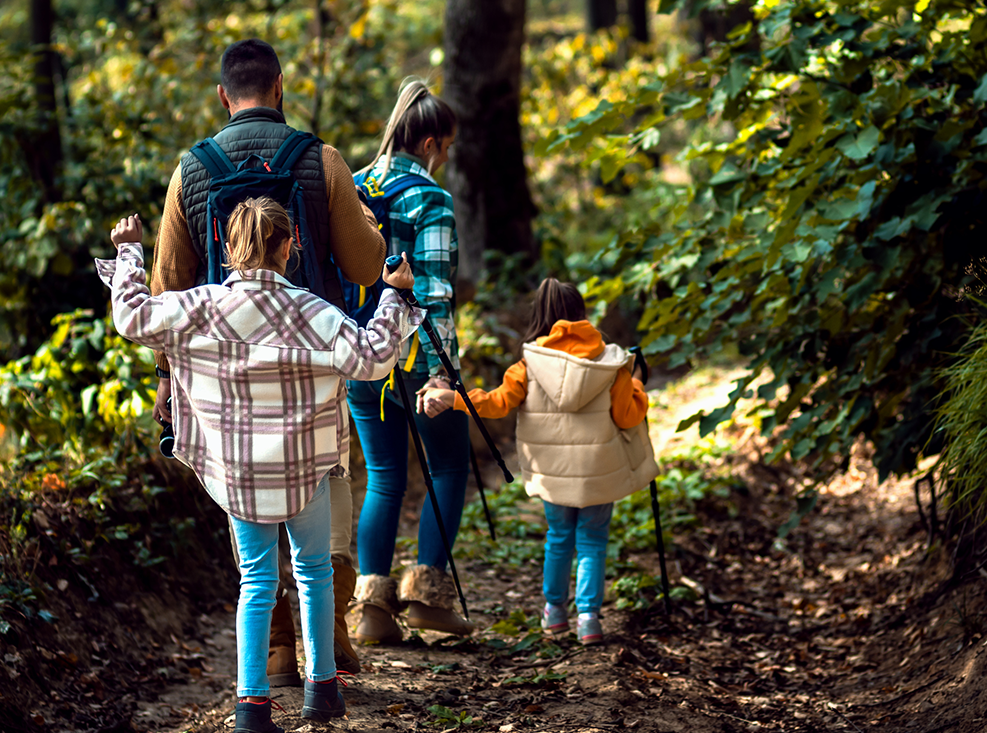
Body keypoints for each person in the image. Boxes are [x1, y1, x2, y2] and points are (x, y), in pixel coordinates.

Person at [97, 201, 421, 733]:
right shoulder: (315, 314)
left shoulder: (198, 308)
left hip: (239, 474)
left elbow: (131, 317)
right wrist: (394, 291)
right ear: (290, 244)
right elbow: (373, 358)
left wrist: (129, 249)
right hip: (304, 468)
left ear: (225, 245)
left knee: (257, 581)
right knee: (314, 571)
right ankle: (322, 690)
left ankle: (252, 706)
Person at [149, 39, 386, 683]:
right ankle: (329, 643)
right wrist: (366, 219)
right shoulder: (320, 160)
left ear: (224, 97)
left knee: (246, 505)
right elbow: (367, 266)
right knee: (327, 486)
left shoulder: (191, 171)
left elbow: (168, 285)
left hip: (224, 380)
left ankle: (277, 650)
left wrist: (169, 381)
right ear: (279, 87)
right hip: (310, 366)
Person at [420, 277, 655, 645]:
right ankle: (589, 620)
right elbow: (628, 417)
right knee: (592, 541)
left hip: (552, 474)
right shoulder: (612, 362)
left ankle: (555, 613)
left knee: (559, 538)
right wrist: (637, 384)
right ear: (581, 315)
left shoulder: (528, 364)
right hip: (598, 469)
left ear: (541, 318)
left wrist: (453, 398)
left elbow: (497, 404)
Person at [346, 78, 472, 641]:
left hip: (362, 353)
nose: (445, 160)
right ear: (428, 144)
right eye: (445, 149)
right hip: (421, 358)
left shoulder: (349, 188)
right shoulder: (433, 200)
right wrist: (446, 374)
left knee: (383, 476)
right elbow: (436, 292)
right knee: (448, 468)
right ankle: (424, 596)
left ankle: (371, 607)